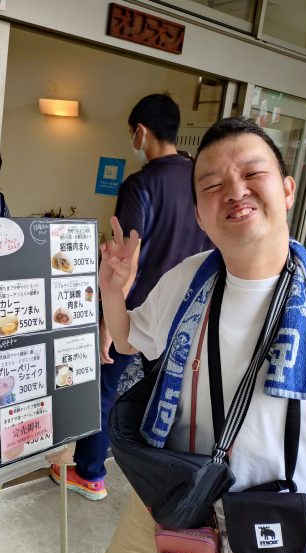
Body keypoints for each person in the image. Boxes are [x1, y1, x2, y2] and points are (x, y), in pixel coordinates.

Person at [93, 117, 306, 553]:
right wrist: (114, 293)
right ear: (199, 216)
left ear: (287, 190)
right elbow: (131, 339)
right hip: (170, 498)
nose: (235, 191)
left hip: (275, 522)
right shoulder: (188, 277)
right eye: (212, 185)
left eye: (252, 174)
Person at [50, 94, 212, 500]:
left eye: (132, 133)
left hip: (139, 311)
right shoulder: (198, 180)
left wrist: (108, 325)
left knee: (104, 387)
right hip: (188, 314)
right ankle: (162, 477)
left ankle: (90, 473)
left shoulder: (141, 185)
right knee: (168, 393)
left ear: (141, 132)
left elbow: (128, 261)